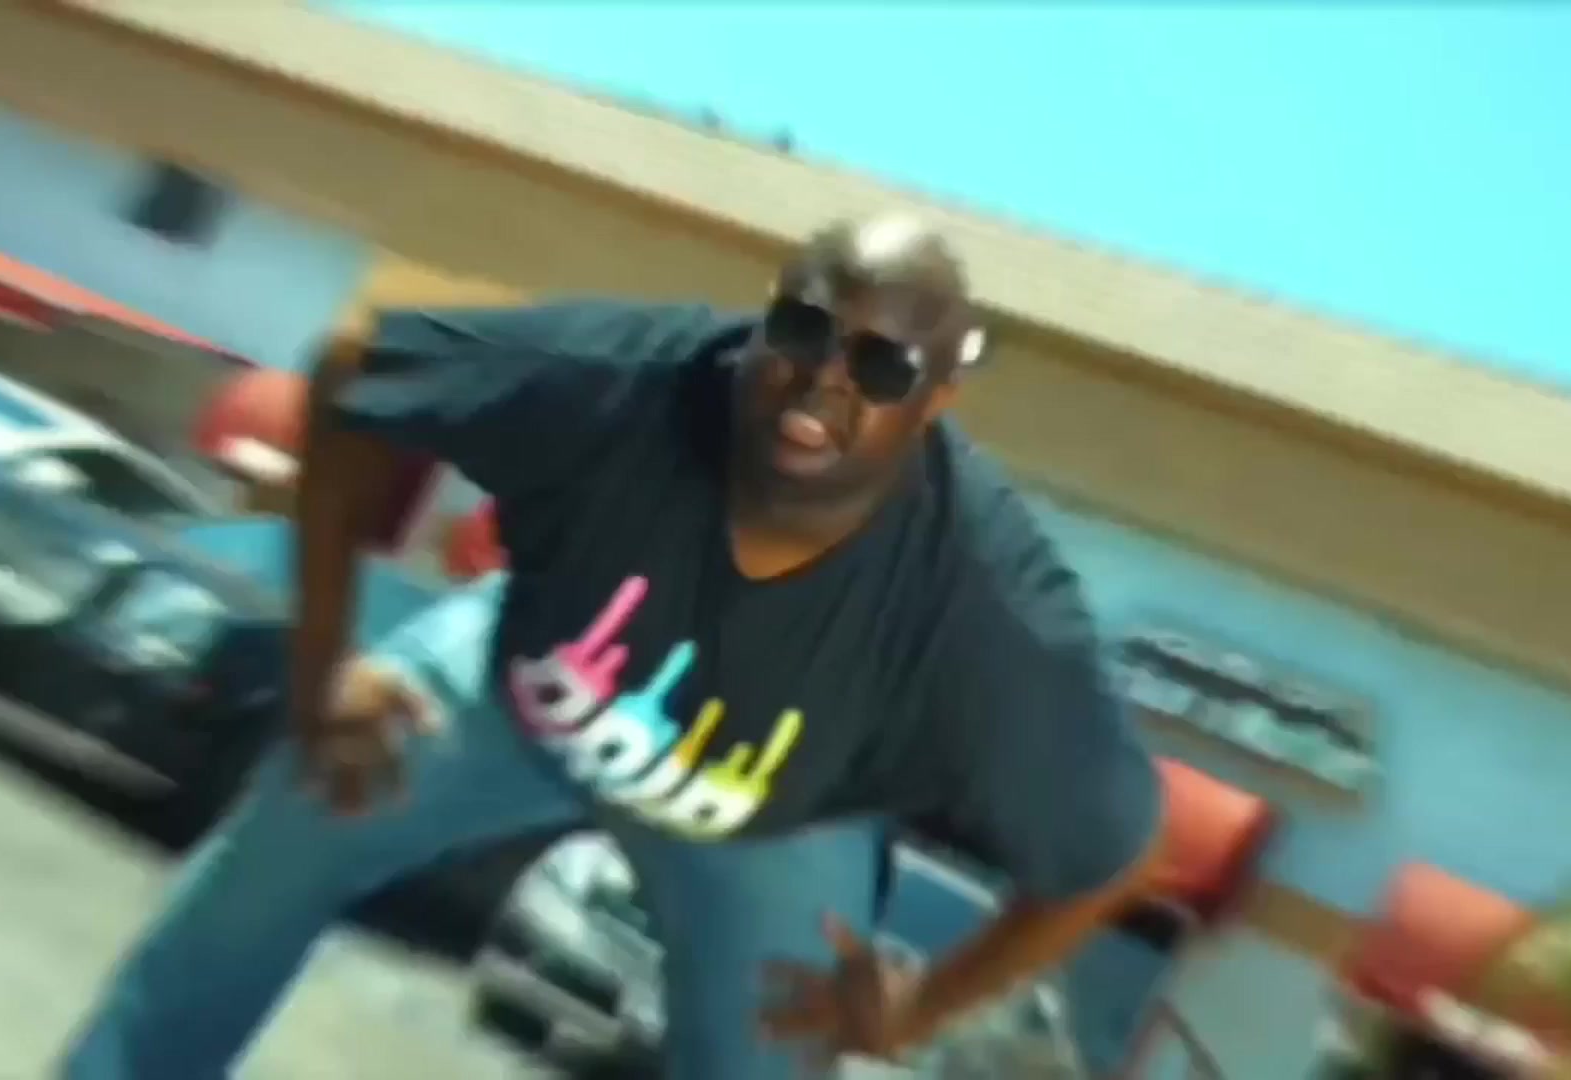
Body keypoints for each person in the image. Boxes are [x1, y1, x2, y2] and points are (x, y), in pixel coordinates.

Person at [62, 214, 1165, 1079]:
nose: (823, 382)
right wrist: (320, 668)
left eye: (880, 371)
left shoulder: (989, 601)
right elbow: (358, 371)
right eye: (803, 334)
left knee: (778, 1048)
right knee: (302, 813)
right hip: (516, 690)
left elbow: (1108, 851)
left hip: (775, 814)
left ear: (931, 402)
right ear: (767, 318)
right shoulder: (626, 376)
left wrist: (921, 1006)